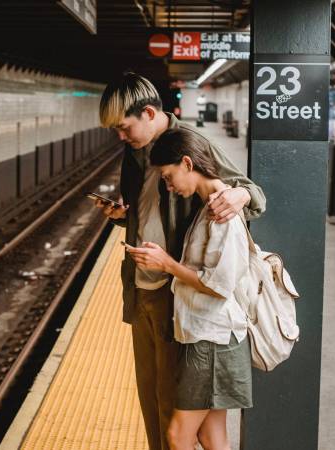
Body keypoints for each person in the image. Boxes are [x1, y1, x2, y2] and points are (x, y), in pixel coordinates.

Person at [96, 72, 265, 450]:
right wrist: (123, 214)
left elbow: (251, 192)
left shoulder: (190, 143)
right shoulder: (134, 154)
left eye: (124, 128)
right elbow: (150, 208)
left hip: (178, 296)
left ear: (150, 113)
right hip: (142, 291)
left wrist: (239, 197)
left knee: (174, 410)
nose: (121, 137)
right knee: (150, 397)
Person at [127, 128, 253, 450]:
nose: (168, 186)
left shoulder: (221, 215)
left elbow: (219, 285)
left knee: (178, 435)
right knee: (211, 437)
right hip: (208, 336)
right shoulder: (206, 208)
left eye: (169, 177)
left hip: (211, 340)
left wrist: (166, 264)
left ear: (187, 163)